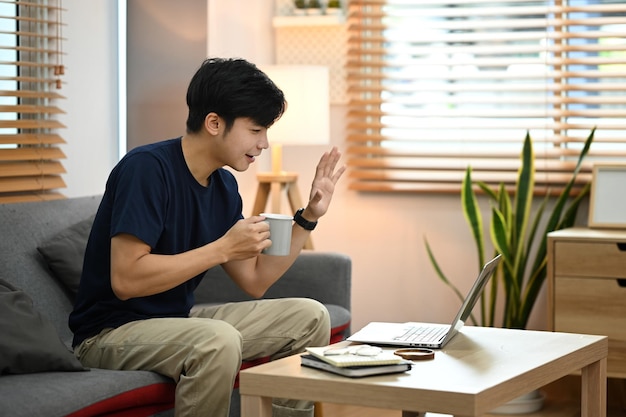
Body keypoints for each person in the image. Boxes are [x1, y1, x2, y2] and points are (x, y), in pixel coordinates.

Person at [69, 57, 345, 417]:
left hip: (175, 323)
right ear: (214, 122)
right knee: (217, 339)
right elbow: (126, 279)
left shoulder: (224, 186)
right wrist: (221, 248)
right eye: (256, 129)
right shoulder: (147, 170)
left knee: (311, 316)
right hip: (108, 334)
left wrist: (308, 217)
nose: (263, 143)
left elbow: (255, 279)